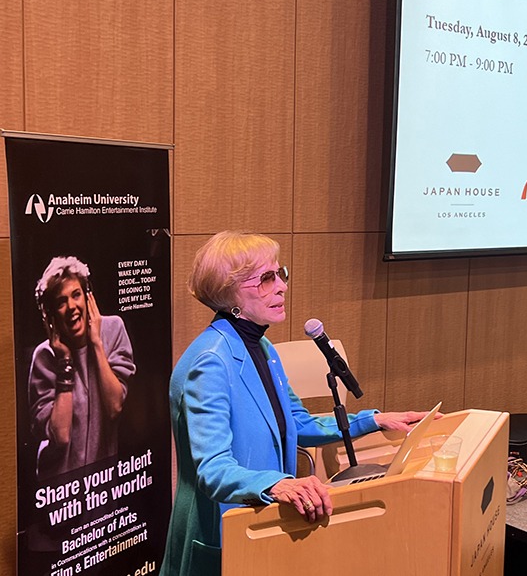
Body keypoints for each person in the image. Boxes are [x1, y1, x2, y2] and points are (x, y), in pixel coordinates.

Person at [161, 231, 433, 576]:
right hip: (221, 529)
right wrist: (277, 483)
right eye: (266, 278)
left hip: (259, 526)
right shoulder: (210, 363)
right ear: (228, 292)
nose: (282, 286)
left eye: (280, 274)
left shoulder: (262, 348)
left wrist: (373, 421)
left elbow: (296, 423)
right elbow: (212, 469)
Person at [28, 256, 135, 477]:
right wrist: (64, 362)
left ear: (88, 298)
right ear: (50, 314)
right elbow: (61, 435)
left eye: (76, 295)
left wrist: (96, 342)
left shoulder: (113, 330)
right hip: (60, 489)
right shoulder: (44, 356)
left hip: (102, 483)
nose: (71, 307)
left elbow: (115, 406)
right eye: (60, 302)